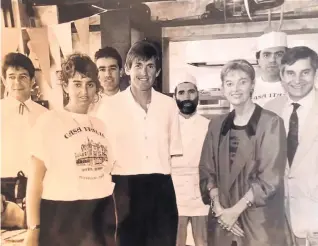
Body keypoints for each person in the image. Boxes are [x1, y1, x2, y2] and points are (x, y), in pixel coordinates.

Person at [24, 53, 116, 246]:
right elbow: (34, 182)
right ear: (65, 86)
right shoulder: (48, 121)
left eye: (90, 84)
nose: (84, 91)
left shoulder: (101, 125)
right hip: (62, 217)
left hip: (99, 213)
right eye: (77, 83)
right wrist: (33, 229)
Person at [96, 40, 183, 246]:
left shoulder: (169, 106)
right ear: (127, 69)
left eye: (150, 66)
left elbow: (174, 154)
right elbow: (102, 158)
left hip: (161, 189)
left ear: (158, 71)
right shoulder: (109, 108)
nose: (144, 72)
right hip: (124, 190)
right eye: (138, 65)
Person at [199, 59, 290, 246]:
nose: (236, 88)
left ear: (253, 85)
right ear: (223, 88)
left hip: (258, 224)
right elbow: (207, 171)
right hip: (222, 223)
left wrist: (234, 212)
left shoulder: (271, 123)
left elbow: (270, 179)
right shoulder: (216, 125)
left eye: (243, 81)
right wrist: (219, 209)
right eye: (229, 83)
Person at [265, 46, 318, 246]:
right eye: (290, 73)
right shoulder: (269, 110)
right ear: (281, 76)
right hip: (280, 219)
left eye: (305, 72)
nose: (297, 80)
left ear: (315, 73)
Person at [1, 52, 47, 228]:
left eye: (23, 76)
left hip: (35, 187)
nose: (17, 83)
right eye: (11, 77)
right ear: (4, 80)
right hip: (2, 188)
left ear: (32, 80)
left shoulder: (46, 115)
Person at [171, 74, 210, 246]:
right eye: (182, 92)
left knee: (202, 241)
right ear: (175, 97)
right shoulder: (167, 125)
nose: (186, 97)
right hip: (174, 192)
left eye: (191, 92)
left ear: (198, 95)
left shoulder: (209, 125)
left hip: (200, 192)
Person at [252, 31, 288, 106]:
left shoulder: (296, 86)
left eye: (279, 54)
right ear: (258, 60)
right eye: (266, 55)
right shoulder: (249, 87)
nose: (272, 60)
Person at [88, 46, 126, 114]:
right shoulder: (89, 106)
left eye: (112, 68)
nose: (108, 74)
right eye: (102, 69)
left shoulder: (130, 102)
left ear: (121, 72)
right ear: (96, 74)